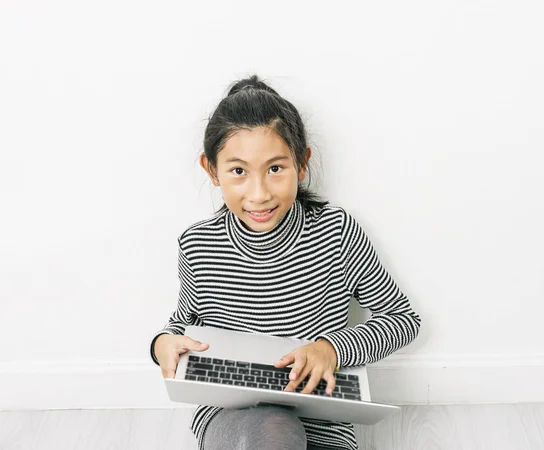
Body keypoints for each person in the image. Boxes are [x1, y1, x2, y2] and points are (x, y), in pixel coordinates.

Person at [150, 74, 422, 450]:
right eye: (238, 171)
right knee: (273, 427)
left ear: (302, 162)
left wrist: (332, 349)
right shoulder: (198, 245)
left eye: (275, 169)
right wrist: (162, 342)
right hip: (235, 417)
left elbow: (402, 320)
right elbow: (183, 323)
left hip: (322, 415)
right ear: (212, 170)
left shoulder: (336, 233)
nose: (259, 194)